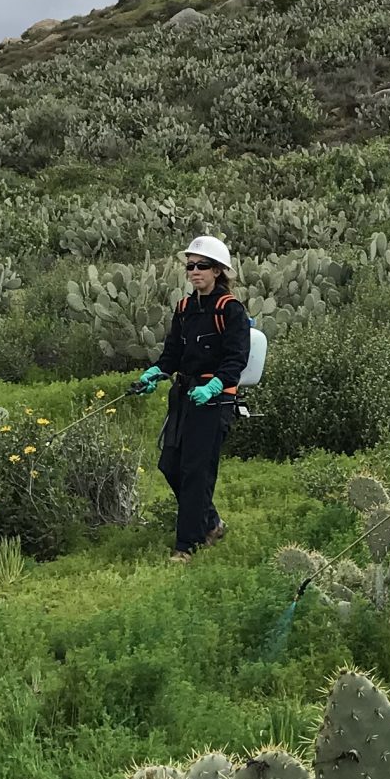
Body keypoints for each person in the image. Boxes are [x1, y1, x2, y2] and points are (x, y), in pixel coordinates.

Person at [136, 237, 251, 560]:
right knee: (170, 465)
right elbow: (172, 354)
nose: (194, 272)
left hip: (214, 401)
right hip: (185, 398)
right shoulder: (185, 309)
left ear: (217, 271)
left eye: (201, 266)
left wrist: (213, 387)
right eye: (190, 266)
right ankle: (211, 521)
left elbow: (235, 360)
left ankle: (186, 547)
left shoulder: (231, 310)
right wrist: (154, 374)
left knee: (195, 472)